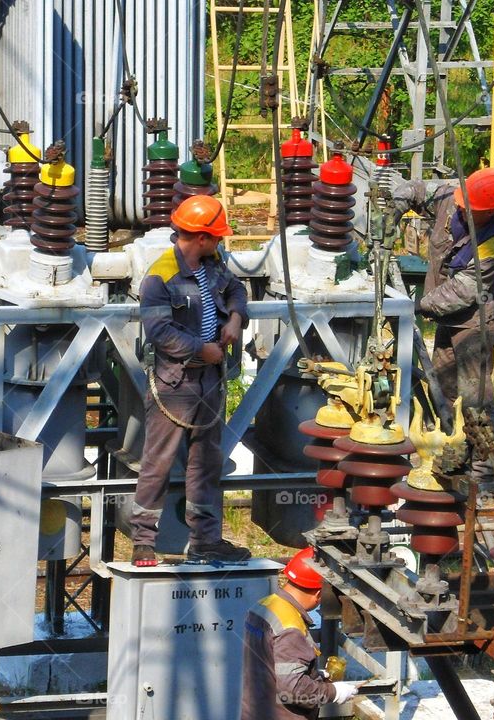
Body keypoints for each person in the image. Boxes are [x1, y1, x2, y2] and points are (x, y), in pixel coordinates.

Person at [131, 195, 251, 566]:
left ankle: (205, 540)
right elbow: (159, 332)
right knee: (158, 462)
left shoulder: (212, 266)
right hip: (175, 384)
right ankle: (143, 541)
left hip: (209, 382)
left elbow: (236, 290)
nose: (220, 243)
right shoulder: (160, 276)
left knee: (206, 462)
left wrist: (234, 317)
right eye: (216, 237)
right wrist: (203, 349)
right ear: (200, 236)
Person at [393, 168, 494, 492]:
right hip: (447, 321)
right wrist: (388, 214)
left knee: (474, 399)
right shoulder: (451, 197)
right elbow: (413, 190)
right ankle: (453, 460)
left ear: (488, 210)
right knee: (443, 391)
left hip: (474, 325)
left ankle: (487, 476)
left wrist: (418, 306)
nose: (461, 208)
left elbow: (462, 291)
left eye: (469, 207)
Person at [242, 548, 358, 719]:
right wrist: (334, 692)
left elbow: (271, 663)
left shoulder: (262, 606)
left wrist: (312, 673)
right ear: (319, 594)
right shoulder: (291, 627)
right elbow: (293, 690)